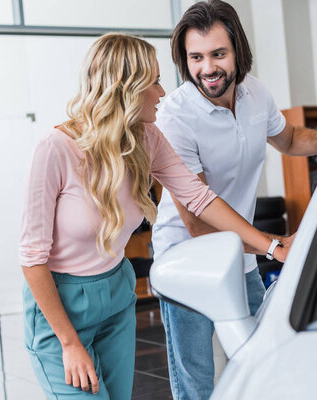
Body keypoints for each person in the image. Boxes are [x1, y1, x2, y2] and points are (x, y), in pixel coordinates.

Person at [19, 33, 289, 399]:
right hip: (61, 305)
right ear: (126, 88)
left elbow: (200, 198)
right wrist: (68, 343)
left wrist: (271, 247)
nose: (163, 93)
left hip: (116, 294)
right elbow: (32, 258)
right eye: (155, 82)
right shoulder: (55, 150)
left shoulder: (146, 138)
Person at [151, 1, 317, 399]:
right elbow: (197, 222)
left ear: (238, 53)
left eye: (218, 54)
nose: (207, 68)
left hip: (242, 256)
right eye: (195, 57)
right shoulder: (174, 117)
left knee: (262, 364)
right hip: (186, 260)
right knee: (195, 383)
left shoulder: (254, 94)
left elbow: (289, 139)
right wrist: (274, 245)